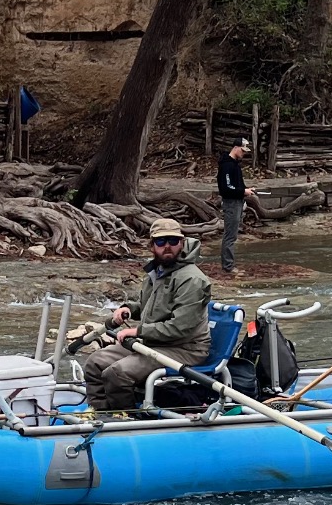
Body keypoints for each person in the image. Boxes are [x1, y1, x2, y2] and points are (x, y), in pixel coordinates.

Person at [83, 217, 211, 414]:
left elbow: (179, 327)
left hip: (184, 348)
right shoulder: (158, 272)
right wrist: (128, 309)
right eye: (161, 242)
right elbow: (148, 306)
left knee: (117, 374)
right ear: (151, 245)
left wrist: (137, 330)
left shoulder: (192, 279)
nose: (167, 246)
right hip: (155, 343)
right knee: (95, 363)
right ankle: (101, 412)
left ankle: (125, 417)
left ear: (182, 243)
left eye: (173, 241)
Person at [217, 136, 257, 274]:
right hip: (231, 203)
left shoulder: (235, 165)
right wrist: (242, 191)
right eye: (243, 151)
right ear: (236, 148)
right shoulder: (227, 165)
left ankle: (229, 264)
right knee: (230, 235)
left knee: (233, 234)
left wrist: (247, 190)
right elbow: (226, 188)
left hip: (238, 201)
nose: (244, 154)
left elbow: (237, 185)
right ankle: (228, 266)